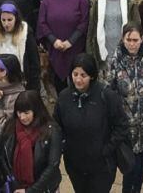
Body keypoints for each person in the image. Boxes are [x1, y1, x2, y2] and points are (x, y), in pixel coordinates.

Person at [53, 54, 131, 193]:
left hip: (101, 166)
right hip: (75, 164)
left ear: (92, 76)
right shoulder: (64, 97)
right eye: (75, 74)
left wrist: (107, 148)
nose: (78, 79)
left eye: (83, 75)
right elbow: (56, 127)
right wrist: (64, 147)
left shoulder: (107, 96)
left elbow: (122, 125)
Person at [103, 23, 143, 193]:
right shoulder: (114, 60)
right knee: (129, 167)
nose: (132, 44)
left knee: (141, 164)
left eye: (135, 40)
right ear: (123, 39)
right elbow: (107, 91)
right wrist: (116, 117)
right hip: (126, 125)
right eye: (128, 40)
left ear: (142, 39)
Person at [0, 90, 63, 193]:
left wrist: (30, 191)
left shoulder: (52, 131)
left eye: (26, 113)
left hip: (44, 188)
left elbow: (52, 166)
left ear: (36, 111)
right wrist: (13, 182)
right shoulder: (10, 127)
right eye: (19, 112)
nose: (22, 117)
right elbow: (2, 156)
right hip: (16, 187)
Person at [37, 0, 90, 91]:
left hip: (75, 47)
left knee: (77, 79)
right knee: (57, 81)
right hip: (56, 47)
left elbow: (84, 22)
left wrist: (70, 41)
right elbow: (42, 22)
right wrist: (54, 40)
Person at [87, 0, 142, 68]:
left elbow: (137, 24)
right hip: (104, 48)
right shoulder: (97, 0)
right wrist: (90, 50)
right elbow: (92, 27)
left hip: (125, 46)